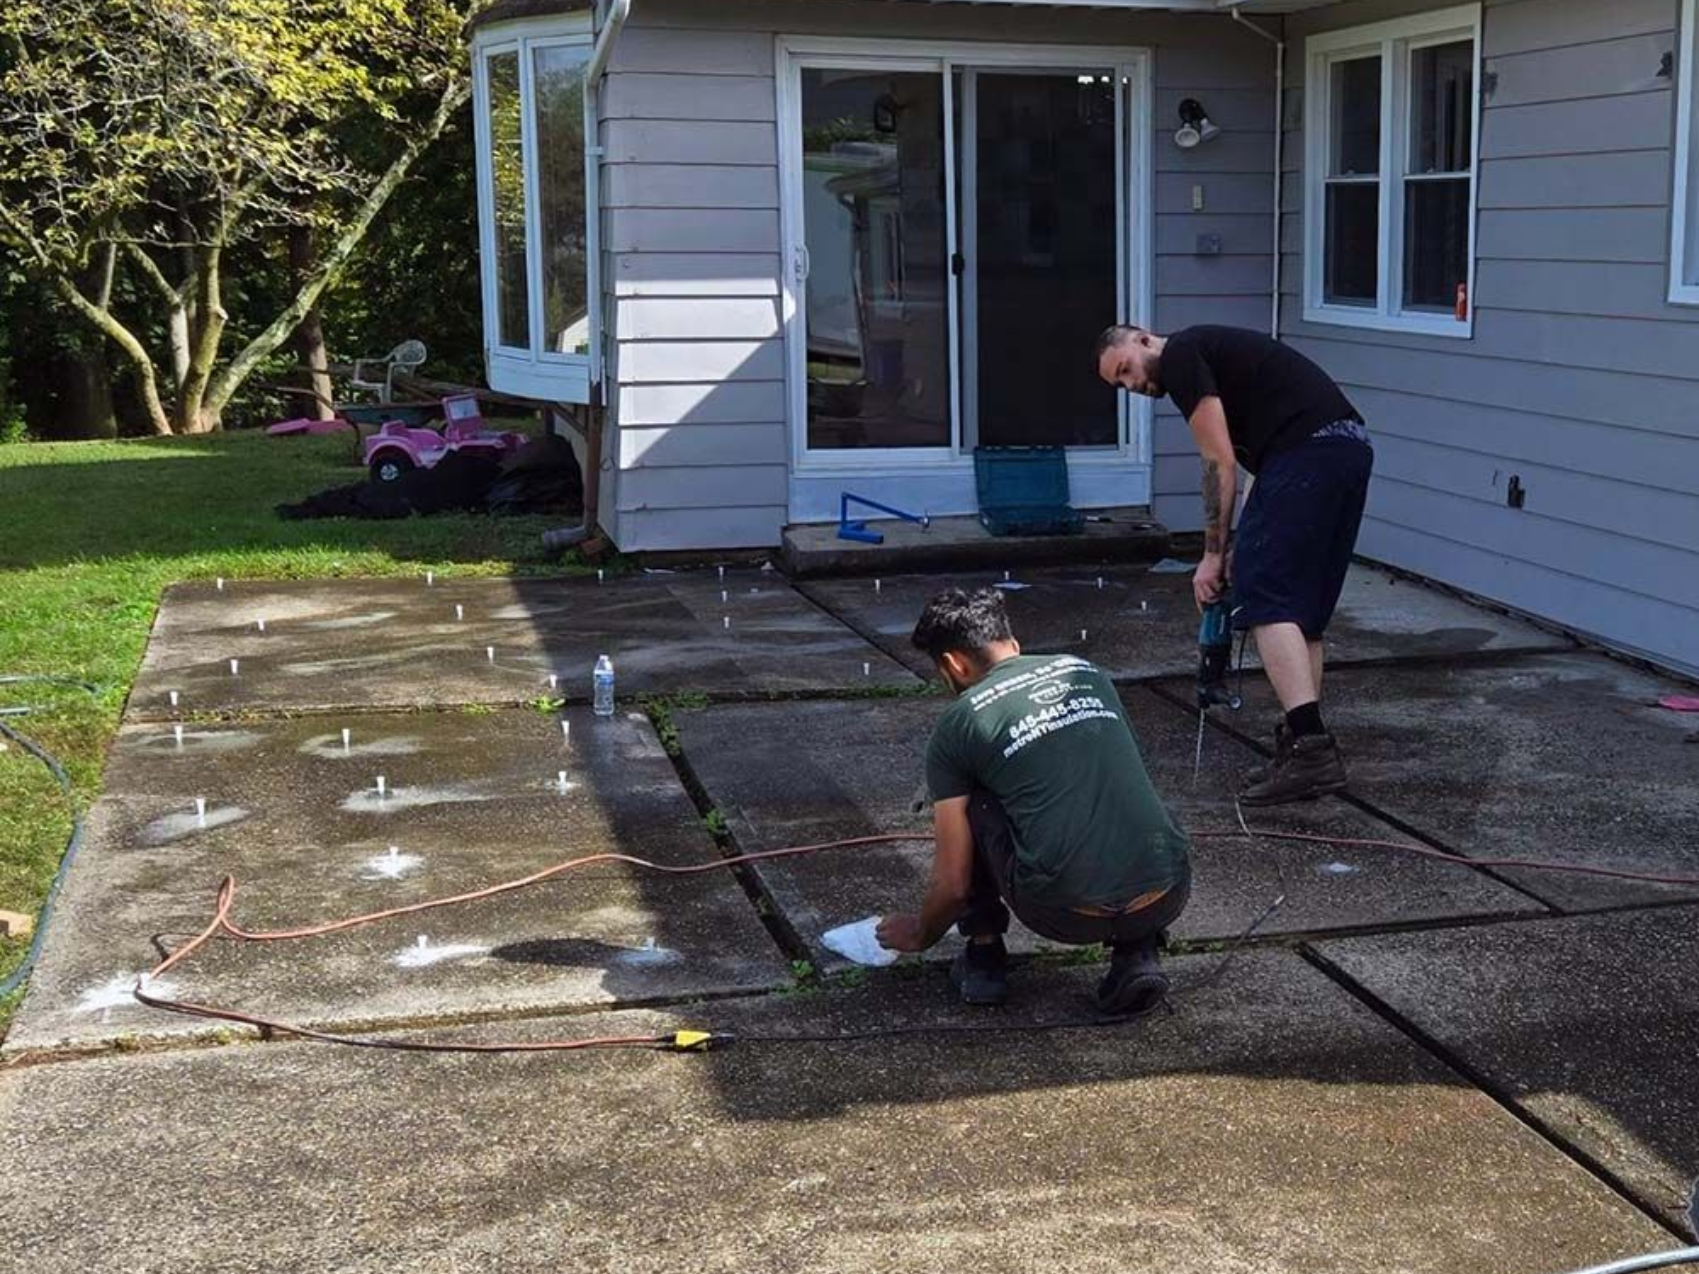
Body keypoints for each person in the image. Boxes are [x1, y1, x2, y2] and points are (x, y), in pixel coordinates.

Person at [876, 587, 1191, 1016]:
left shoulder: (960, 722)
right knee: (1115, 785)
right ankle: (1138, 953)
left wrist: (918, 933)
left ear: (953, 664)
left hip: (1065, 911)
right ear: (1013, 642)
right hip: (1168, 889)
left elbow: (953, 884)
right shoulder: (1086, 672)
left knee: (974, 799)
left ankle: (984, 956)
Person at [1095, 323, 1375, 805]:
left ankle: (1312, 751)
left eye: (1125, 370)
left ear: (1143, 340)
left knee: (1266, 602)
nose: (1132, 385)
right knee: (1301, 614)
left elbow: (1217, 461)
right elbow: (1254, 469)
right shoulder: (1216, 357)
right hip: (1342, 449)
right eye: (1120, 384)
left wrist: (1210, 555)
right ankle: (1304, 743)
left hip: (1308, 452)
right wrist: (1234, 546)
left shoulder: (1181, 354)